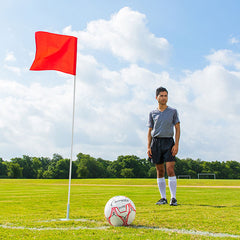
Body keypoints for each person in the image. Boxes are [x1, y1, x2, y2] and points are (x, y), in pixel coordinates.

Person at [147, 87, 180, 206]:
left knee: (170, 169)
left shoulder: (173, 111)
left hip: (168, 142)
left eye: (165, 95)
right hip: (156, 143)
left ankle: (173, 198)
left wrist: (176, 144)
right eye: (161, 95)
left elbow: (177, 128)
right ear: (156, 97)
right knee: (160, 171)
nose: (164, 98)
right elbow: (150, 131)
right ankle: (163, 198)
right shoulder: (152, 113)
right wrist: (148, 147)